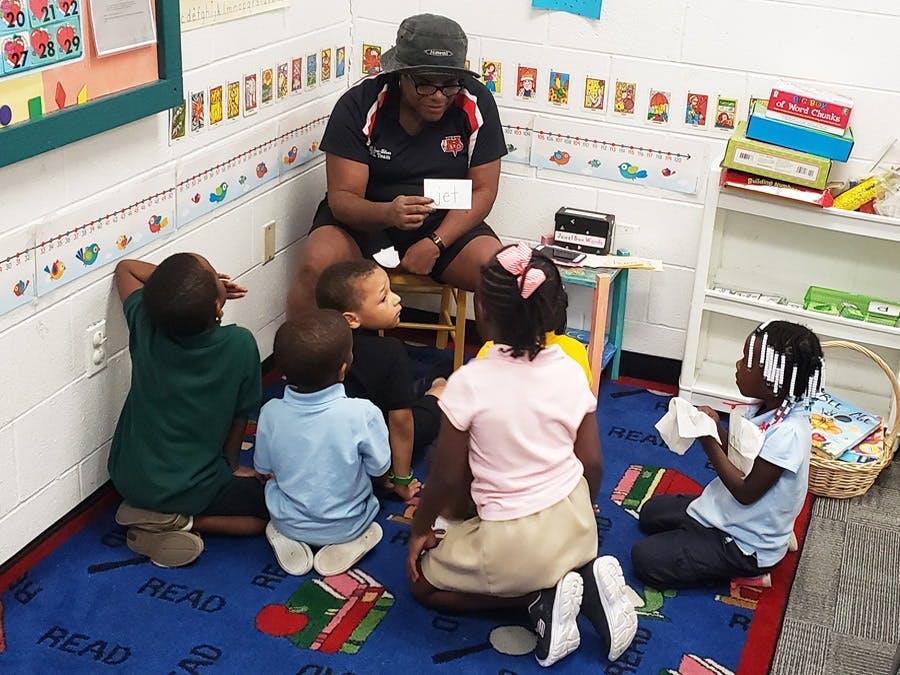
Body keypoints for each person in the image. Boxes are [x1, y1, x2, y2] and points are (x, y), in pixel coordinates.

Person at [407, 243, 637, 668]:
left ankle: (536, 598)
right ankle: (579, 579)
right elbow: (592, 464)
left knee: (423, 583)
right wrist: (585, 505)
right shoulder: (572, 368)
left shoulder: (469, 381)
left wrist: (419, 531)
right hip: (578, 524)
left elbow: (447, 480)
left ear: (485, 314)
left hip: (511, 543)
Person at [286, 13, 507, 319]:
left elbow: (483, 189)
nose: (439, 97)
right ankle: (303, 363)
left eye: (449, 84)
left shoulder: (474, 100)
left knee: (500, 276)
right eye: (426, 85)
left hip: (442, 223)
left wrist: (436, 242)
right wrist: (387, 213)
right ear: (401, 75)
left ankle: (499, 365)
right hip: (366, 219)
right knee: (316, 263)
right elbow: (343, 199)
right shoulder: (360, 103)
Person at [631, 320, 824, 589]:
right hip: (729, 513)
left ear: (773, 380)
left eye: (747, 362)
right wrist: (716, 428)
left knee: (645, 559)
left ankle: (752, 570)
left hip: (744, 544)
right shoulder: (767, 407)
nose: (738, 365)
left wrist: (708, 439)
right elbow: (742, 454)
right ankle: (772, 534)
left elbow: (746, 493)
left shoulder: (788, 434)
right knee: (650, 513)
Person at [108, 254, 268, 568]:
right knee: (276, 510)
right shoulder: (239, 344)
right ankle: (180, 522)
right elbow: (241, 415)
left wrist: (186, 292)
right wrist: (231, 466)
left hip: (127, 476)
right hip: (193, 491)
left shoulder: (146, 323)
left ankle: (149, 514)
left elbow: (124, 268)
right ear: (218, 307)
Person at [253, 311, 390, 576]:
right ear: (343, 369)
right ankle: (351, 541)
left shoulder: (270, 411)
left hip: (286, 519)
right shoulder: (363, 412)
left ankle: (286, 535)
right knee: (370, 512)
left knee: (274, 486)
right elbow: (379, 468)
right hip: (351, 522)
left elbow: (263, 468)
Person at [316, 260, 444, 500]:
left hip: (332, 444)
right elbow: (401, 422)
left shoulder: (320, 348)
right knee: (441, 395)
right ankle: (436, 388)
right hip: (377, 441)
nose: (396, 299)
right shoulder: (390, 351)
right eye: (384, 298)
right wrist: (401, 480)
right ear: (351, 319)